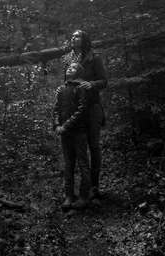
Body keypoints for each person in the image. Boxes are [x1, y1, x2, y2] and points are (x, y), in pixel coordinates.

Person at [65, 29, 108, 199]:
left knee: (94, 146)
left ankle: (94, 187)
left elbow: (104, 80)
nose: (73, 38)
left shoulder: (94, 57)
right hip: (75, 110)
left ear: (84, 40)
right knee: (77, 149)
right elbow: (66, 82)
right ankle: (78, 189)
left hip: (93, 108)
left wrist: (92, 84)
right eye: (72, 36)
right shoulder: (68, 59)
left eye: (77, 36)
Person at [53, 62, 92, 210]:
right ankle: (68, 196)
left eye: (74, 67)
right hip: (65, 133)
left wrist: (65, 126)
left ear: (79, 72)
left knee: (83, 163)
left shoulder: (82, 88)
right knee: (68, 165)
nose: (70, 68)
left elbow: (82, 110)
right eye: (69, 67)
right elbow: (56, 108)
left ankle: (84, 196)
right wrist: (57, 125)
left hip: (79, 132)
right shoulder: (62, 88)